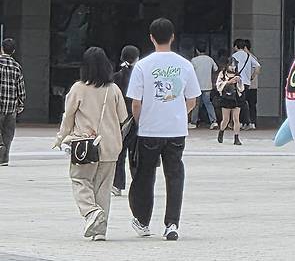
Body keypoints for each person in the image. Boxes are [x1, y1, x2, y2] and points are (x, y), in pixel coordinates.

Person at [127, 18, 201, 241]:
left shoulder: (142, 65)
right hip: (176, 130)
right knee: (175, 175)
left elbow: (136, 102)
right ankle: (172, 223)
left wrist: (140, 121)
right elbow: (192, 99)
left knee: (145, 175)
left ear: (151, 37)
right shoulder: (185, 65)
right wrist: (178, 114)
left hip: (149, 129)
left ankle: (142, 221)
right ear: (173, 37)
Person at [53, 47, 128, 241]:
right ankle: (100, 231)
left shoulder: (78, 88)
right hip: (110, 145)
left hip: (85, 145)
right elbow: (123, 118)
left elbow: (68, 117)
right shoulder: (113, 89)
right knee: (103, 187)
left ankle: (91, 212)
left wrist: (61, 138)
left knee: (80, 180)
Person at [111, 45, 140, 197]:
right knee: (135, 154)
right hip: (137, 119)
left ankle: (117, 185)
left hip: (120, 120)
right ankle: (139, 184)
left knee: (119, 153)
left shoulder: (116, 77)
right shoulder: (141, 76)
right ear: (137, 59)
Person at [0, 38, 25, 167]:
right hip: (11, 107)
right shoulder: (16, 66)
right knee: (8, 134)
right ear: (13, 51)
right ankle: (4, 158)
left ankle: (0, 149)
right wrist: (21, 104)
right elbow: (21, 88)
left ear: (1, 49)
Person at [231, 39, 260, 130]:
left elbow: (232, 68)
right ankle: (247, 122)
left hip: (238, 82)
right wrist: (252, 76)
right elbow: (258, 67)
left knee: (238, 103)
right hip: (247, 83)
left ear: (236, 46)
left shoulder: (234, 56)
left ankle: (242, 122)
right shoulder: (249, 56)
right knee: (245, 103)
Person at [216, 57, 245, 145]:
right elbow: (218, 86)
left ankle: (236, 138)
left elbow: (241, 88)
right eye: (231, 65)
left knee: (236, 119)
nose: (233, 67)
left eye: (234, 66)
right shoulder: (222, 74)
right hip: (226, 98)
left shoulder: (238, 75)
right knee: (226, 119)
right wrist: (228, 82)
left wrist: (239, 81)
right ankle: (221, 131)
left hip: (236, 98)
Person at [190, 43, 219, 130]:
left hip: (197, 86)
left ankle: (193, 122)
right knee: (208, 104)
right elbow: (216, 69)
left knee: (196, 105)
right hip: (207, 85)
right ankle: (213, 121)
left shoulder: (194, 60)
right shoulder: (210, 59)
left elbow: (190, 72)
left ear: (197, 51)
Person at [243, 39, 261, 130]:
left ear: (245, 48)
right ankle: (252, 122)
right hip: (253, 86)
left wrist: (251, 77)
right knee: (252, 105)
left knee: (243, 105)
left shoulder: (247, 58)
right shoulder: (254, 57)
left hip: (246, 85)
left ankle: (246, 122)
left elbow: (258, 68)